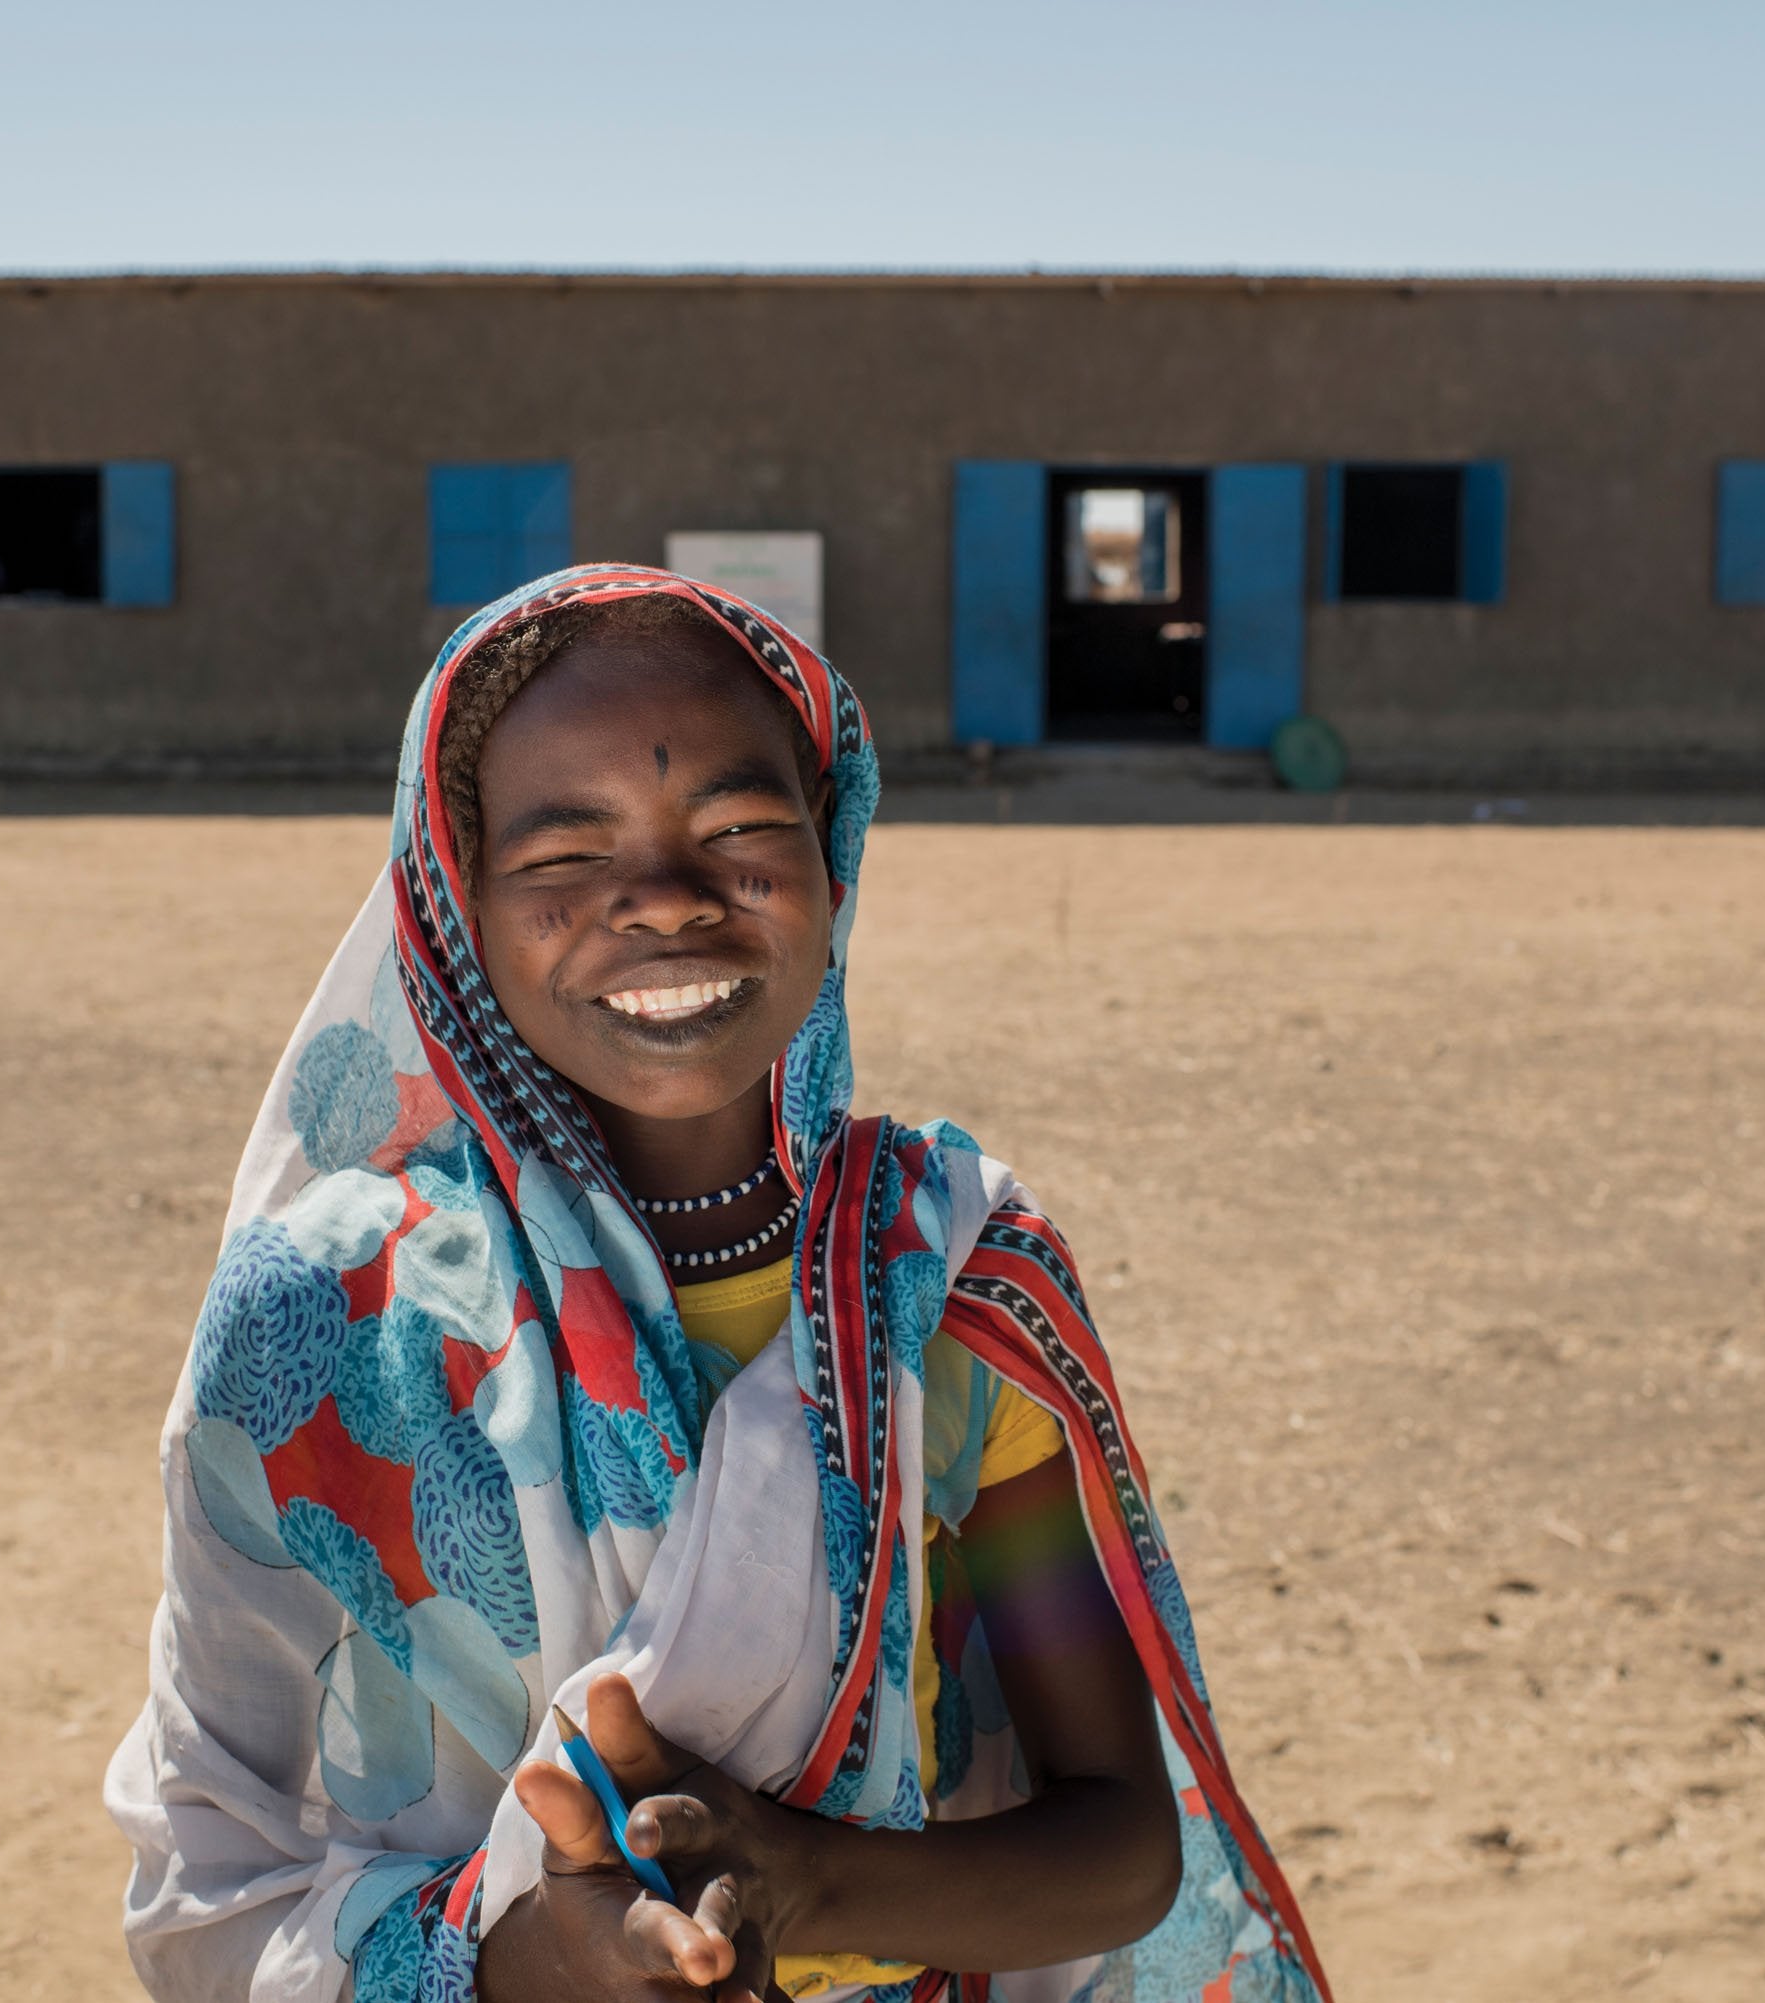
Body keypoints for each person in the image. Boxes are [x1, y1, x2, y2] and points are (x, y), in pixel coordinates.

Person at [106, 566, 1328, 2003]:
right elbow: (209, 1873)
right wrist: (522, 1958)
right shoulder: (319, 1325)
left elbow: (1121, 1845)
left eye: (742, 830)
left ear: (834, 854)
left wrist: (806, 1881)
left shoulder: (948, 1280)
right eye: (565, 856)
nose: (668, 901)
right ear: (458, 908)